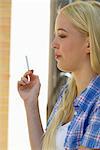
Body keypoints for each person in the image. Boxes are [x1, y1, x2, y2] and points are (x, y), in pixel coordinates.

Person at [17, 1, 100, 150]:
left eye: (62, 35)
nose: (53, 43)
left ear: (89, 43)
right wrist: (30, 103)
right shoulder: (67, 95)